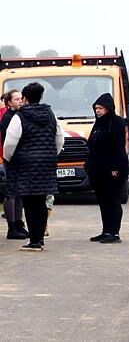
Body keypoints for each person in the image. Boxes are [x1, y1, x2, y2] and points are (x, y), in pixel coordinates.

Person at [3, 82, 65, 251]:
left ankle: (34, 241)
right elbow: (60, 138)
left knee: (30, 203)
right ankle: (40, 237)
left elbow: (10, 143)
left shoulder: (19, 117)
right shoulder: (50, 114)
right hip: (47, 164)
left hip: (25, 165)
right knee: (41, 201)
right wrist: (51, 155)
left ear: (24, 98)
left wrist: (9, 159)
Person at [85, 93, 129, 244]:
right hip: (98, 171)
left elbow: (118, 148)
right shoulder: (98, 123)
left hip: (113, 171)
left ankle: (114, 233)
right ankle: (106, 230)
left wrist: (115, 167)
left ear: (108, 108)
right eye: (96, 108)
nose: (98, 111)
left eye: (101, 108)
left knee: (113, 201)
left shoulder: (116, 123)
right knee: (103, 202)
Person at [0, 90, 27, 239]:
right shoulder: (8, 118)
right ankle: (12, 227)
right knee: (11, 193)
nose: (20, 102)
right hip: (11, 159)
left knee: (19, 193)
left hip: (20, 159)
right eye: (16, 99)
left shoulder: (19, 115)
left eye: (21, 99)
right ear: (9, 103)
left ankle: (18, 223)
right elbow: (9, 142)